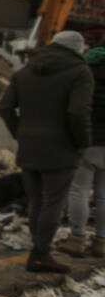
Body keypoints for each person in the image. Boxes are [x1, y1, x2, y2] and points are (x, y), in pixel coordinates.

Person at [0, 30, 94, 273]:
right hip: (61, 148)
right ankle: (41, 253)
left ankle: (38, 249)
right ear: (77, 49)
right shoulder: (80, 73)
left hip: (30, 147)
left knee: (37, 201)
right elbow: (77, 112)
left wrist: (20, 133)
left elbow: (5, 107)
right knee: (54, 201)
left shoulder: (25, 72)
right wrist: (82, 141)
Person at [59, 38, 105, 258]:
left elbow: (75, 108)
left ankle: (77, 238)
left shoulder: (84, 72)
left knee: (80, 190)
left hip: (87, 140)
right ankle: (101, 242)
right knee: (104, 194)